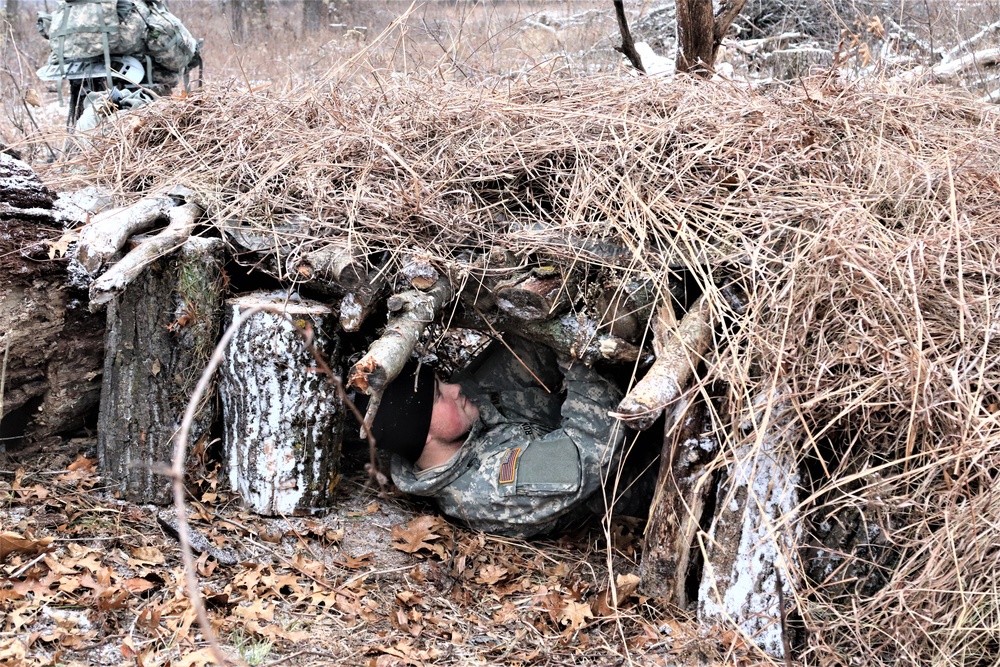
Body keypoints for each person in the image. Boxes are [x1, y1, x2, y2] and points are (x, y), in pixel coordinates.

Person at [365, 337, 638, 538]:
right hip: (647, 460)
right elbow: (595, 442)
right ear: (423, 436)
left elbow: (525, 347)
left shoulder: (458, 425)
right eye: (439, 395)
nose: (456, 388)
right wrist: (579, 350)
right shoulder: (488, 487)